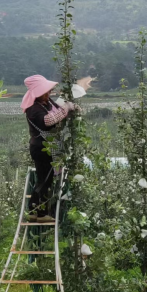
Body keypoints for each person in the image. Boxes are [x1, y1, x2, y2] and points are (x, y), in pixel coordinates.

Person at [21, 75, 90, 222]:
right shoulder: (33, 109)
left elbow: (58, 110)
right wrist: (66, 108)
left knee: (44, 179)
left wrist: (72, 107)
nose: (48, 95)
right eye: (45, 92)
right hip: (41, 148)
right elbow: (49, 120)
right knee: (45, 179)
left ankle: (33, 211)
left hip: (46, 147)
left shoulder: (45, 103)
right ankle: (41, 214)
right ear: (37, 93)